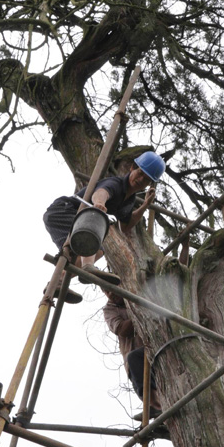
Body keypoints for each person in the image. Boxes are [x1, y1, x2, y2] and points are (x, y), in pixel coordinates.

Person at [43, 152, 165, 290]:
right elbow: (102, 192)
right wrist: (99, 203)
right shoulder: (116, 184)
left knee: (95, 251)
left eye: (146, 179)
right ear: (132, 168)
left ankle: (57, 283)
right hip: (62, 211)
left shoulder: (129, 200)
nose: (140, 179)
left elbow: (125, 226)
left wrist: (145, 205)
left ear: (149, 184)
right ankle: (88, 267)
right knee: (91, 229)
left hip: (72, 220)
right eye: (140, 173)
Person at [103, 290, 161, 419]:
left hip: (157, 347)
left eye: (112, 289)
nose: (111, 293)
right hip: (138, 359)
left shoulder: (140, 294)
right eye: (106, 291)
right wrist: (141, 314)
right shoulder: (110, 310)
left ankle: (156, 407)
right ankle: (157, 410)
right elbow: (122, 329)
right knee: (136, 365)